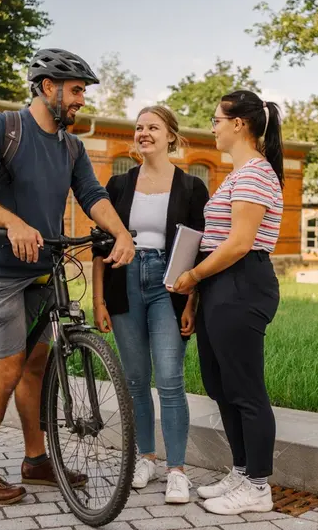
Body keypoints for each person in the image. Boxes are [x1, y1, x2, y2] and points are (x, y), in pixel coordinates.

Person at [0, 48, 135, 505]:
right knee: (9, 368)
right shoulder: (3, 128)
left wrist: (120, 233)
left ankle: (36, 461)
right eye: (75, 91)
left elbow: (91, 194)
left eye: (82, 93)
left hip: (43, 270)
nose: (80, 101)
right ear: (46, 86)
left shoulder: (70, 146)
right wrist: (12, 222)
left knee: (36, 366)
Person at [169, 90, 283, 515]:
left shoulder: (255, 174)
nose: (212, 127)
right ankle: (241, 469)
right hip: (220, 287)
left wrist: (194, 275)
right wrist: (198, 293)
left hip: (242, 284)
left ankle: (258, 486)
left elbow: (238, 243)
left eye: (217, 119)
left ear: (238, 124)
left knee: (245, 389)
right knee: (220, 385)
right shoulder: (238, 175)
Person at [92, 106, 209, 504]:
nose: (144, 133)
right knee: (137, 380)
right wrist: (98, 300)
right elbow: (100, 245)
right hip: (123, 282)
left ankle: (177, 470)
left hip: (169, 285)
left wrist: (192, 301)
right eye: (139, 128)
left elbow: (197, 249)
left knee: (171, 380)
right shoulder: (119, 185)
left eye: (153, 127)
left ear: (171, 136)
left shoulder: (192, 188)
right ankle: (145, 457)